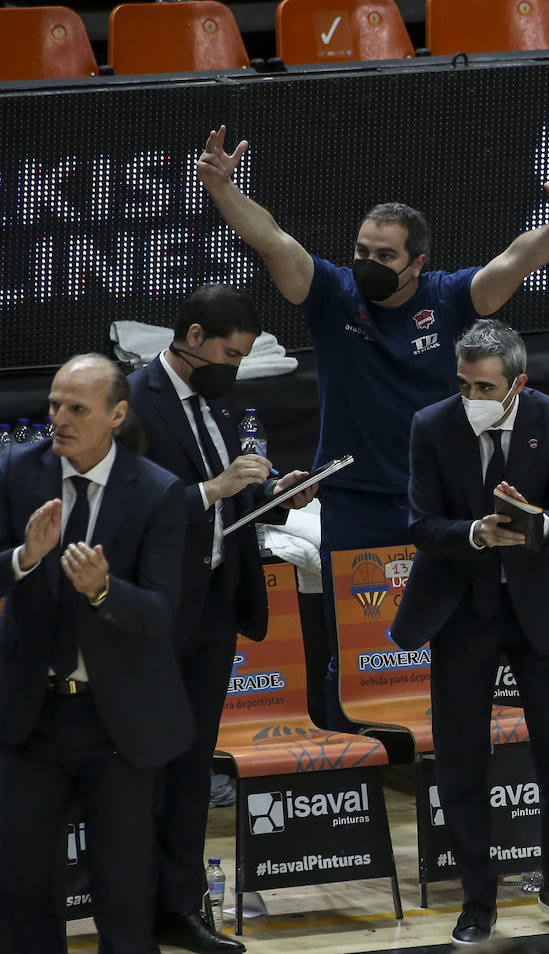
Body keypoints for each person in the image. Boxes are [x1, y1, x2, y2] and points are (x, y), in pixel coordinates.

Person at [196, 125, 549, 728]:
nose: (367, 264)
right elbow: (274, 243)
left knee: (450, 636)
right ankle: (353, 751)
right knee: (354, 649)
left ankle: (441, 751)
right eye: (362, 251)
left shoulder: (448, 298)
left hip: (437, 502)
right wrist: (222, 189)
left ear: (417, 262)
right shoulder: (333, 294)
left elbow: (511, 260)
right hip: (356, 501)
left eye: (384, 256)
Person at [389, 320, 549, 945]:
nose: (471, 398)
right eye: (463, 385)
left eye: (485, 387)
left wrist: (536, 524)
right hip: (462, 607)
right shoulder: (432, 425)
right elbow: (422, 524)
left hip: (538, 605)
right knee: (460, 759)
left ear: (518, 384)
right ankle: (478, 899)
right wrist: (475, 533)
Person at [129, 285, 317, 953]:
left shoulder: (218, 403)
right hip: (154, 613)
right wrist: (216, 489)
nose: (234, 367)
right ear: (196, 334)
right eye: (230, 354)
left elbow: (228, 501)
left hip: (213, 606)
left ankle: (181, 906)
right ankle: (134, 905)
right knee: (147, 765)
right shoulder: (135, 401)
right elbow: (129, 510)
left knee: (191, 767)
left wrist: (274, 495)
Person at [0, 355, 191, 954]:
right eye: (54, 404)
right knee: (23, 890)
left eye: (76, 408)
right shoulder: (12, 470)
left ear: (117, 414)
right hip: (29, 717)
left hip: (119, 726)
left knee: (124, 894)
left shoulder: (159, 492)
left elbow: (161, 615)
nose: (58, 418)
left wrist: (104, 590)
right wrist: (22, 559)